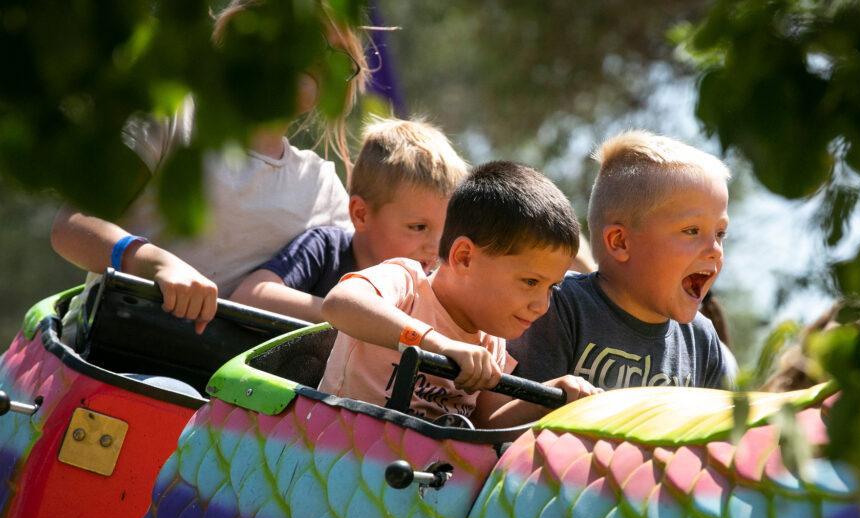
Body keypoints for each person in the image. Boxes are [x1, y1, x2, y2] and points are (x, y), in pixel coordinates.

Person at [50, 0, 368, 336]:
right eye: (313, 38)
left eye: (338, 58)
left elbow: (370, 283)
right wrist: (156, 264)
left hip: (239, 382)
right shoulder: (171, 114)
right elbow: (70, 226)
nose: (320, 61)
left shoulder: (324, 188)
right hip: (114, 353)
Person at [317, 161, 600, 427]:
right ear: (464, 257)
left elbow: (484, 425)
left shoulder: (491, 342)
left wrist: (548, 398)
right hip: (333, 456)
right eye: (530, 282)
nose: (542, 305)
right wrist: (438, 345)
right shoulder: (406, 284)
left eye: (551, 287)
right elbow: (339, 303)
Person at [509, 130, 732, 390]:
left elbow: (726, 429)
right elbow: (508, 423)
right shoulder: (558, 307)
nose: (714, 249)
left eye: (720, 233)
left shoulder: (702, 340)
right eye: (691, 231)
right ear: (620, 242)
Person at [230, 117, 468, 321]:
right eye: (418, 227)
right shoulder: (326, 251)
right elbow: (249, 296)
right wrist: (352, 316)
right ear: (361, 214)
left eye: (445, 230)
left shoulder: (426, 290)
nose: (435, 247)